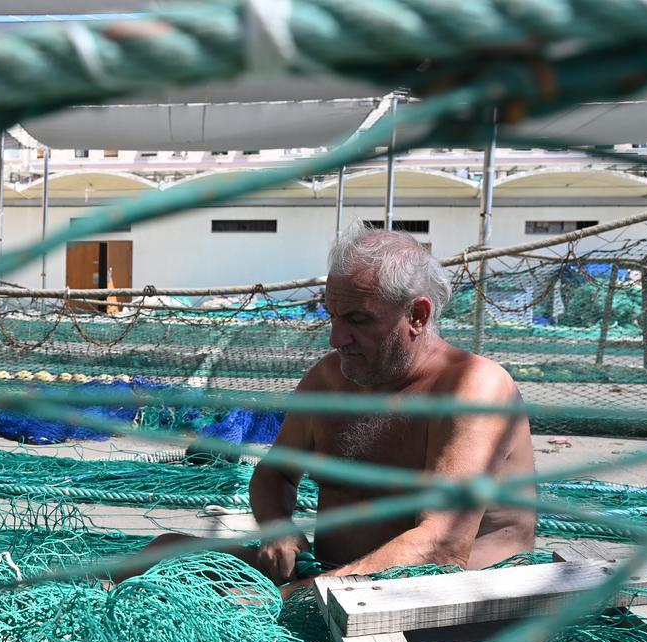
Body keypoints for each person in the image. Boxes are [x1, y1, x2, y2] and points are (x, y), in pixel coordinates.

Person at [146, 224, 536, 588]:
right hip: (331, 580)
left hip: (438, 595)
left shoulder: (473, 388)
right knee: (164, 551)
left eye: (358, 319)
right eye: (332, 315)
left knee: (227, 610)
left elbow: (442, 547)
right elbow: (274, 476)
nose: (336, 338)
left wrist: (304, 596)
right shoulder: (329, 379)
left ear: (416, 315)